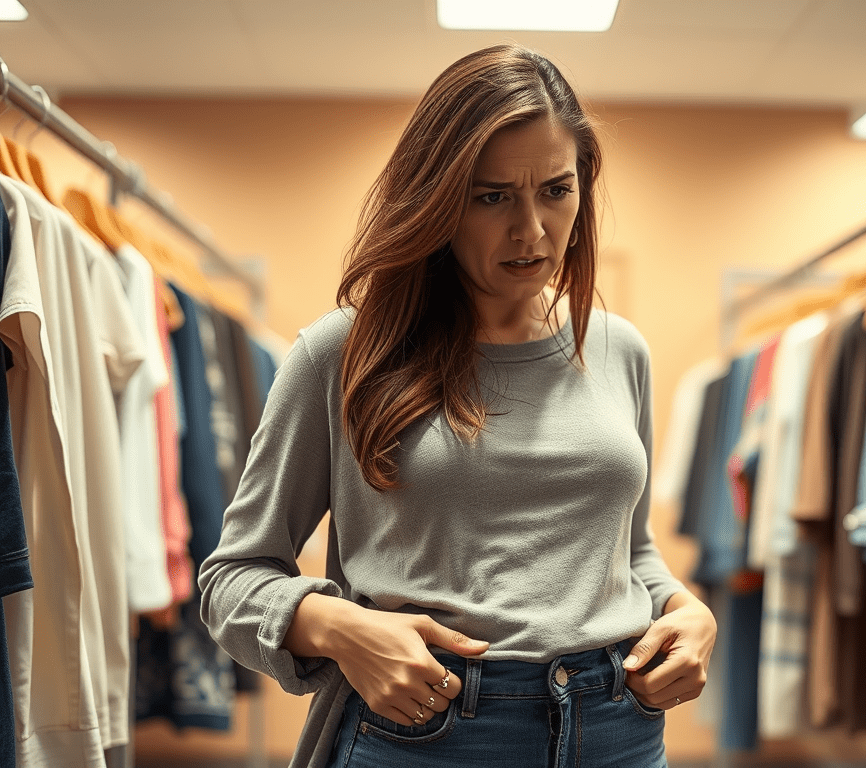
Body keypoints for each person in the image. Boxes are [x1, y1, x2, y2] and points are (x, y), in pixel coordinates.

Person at [198, 43, 717, 768]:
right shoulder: (345, 352)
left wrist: (686, 611)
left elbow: (628, 552)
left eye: (556, 191)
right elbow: (232, 581)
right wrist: (342, 628)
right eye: (492, 195)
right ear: (438, 197)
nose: (531, 230)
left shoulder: (618, 349)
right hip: (429, 731)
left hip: (618, 729)